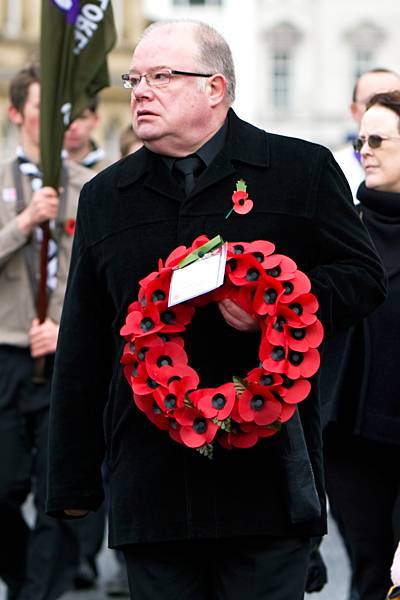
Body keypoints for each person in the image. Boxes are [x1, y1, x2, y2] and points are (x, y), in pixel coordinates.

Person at [46, 20, 386, 600]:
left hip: (267, 482)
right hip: (152, 484)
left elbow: (362, 279)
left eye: (161, 76)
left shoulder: (298, 171)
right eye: (135, 78)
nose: (140, 91)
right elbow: (82, 345)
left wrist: (279, 308)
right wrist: (73, 479)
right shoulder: (107, 195)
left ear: (215, 88)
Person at [0, 64, 93, 599]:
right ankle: (21, 579)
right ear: (17, 115)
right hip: (7, 354)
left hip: (65, 356)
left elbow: (95, 272)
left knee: (59, 490)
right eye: (41, 113)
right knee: (3, 488)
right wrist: (24, 223)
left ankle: (38, 594)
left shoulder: (89, 186)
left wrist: (63, 325)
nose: (57, 126)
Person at [322, 90, 400, 600]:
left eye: (377, 140)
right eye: (359, 141)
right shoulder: (341, 228)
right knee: (371, 573)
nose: (365, 150)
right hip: (351, 438)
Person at [334, 68, 400, 200]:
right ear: (354, 110)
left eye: (394, 99)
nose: (364, 151)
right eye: (359, 142)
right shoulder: (334, 171)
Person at [63, 96, 109, 171]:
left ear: (95, 120)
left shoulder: (110, 170)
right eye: (67, 117)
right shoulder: (42, 168)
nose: (73, 126)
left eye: (82, 117)